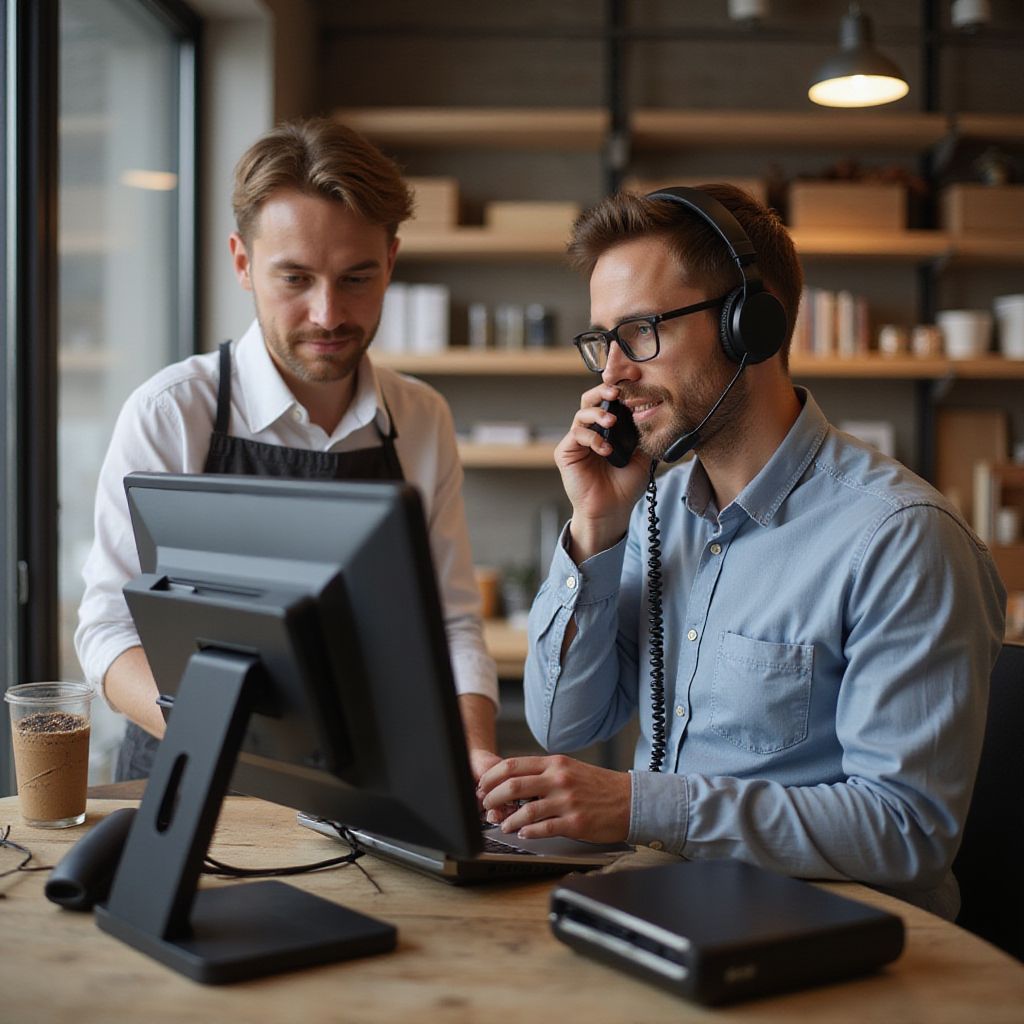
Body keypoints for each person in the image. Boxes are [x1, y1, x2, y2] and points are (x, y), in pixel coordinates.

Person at [477, 184, 1006, 918]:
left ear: (749, 326)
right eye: (604, 340)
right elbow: (567, 722)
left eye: (641, 333)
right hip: (666, 907)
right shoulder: (658, 510)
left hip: (833, 944)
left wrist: (641, 806)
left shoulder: (900, 537)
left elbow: (905, 831)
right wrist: (595, 527)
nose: (611, 374)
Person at [75, 117, 498, 782]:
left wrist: (470, 752)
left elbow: (449, 625)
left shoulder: (420, 418)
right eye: (295, 279)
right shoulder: (170, 414)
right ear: (243, 263)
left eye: (356, 278)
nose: (328, 314)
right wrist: (224, 741)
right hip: (190, 775)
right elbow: (107, 630)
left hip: (371, 781)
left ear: (390, 260)